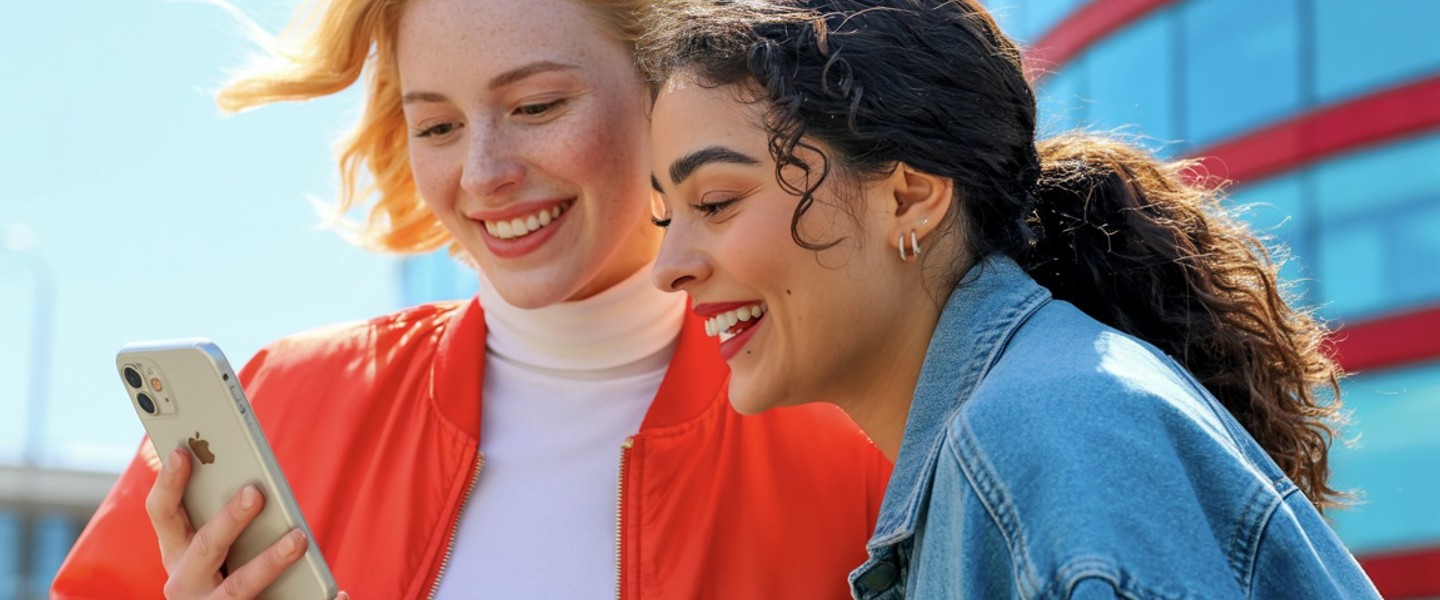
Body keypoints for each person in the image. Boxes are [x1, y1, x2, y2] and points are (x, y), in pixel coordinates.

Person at [51, 0, 892, 598]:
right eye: (439, 126)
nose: (484, 174)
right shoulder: (282, 400)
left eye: (535, 106)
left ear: (667, 92)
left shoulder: (862, 437)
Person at [640, 0, 1381, 597]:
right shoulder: (1010, 444)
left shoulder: (1044, 437)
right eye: (665, 217)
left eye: (716, 201)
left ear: (909, 199)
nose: (668, 269)